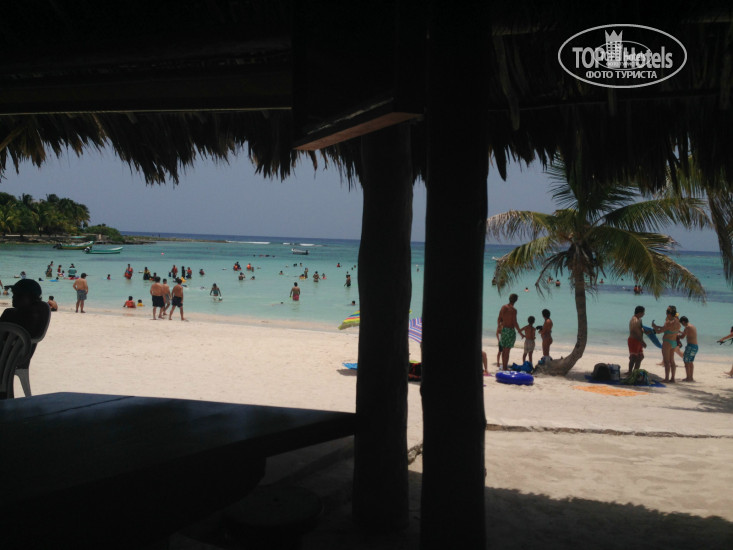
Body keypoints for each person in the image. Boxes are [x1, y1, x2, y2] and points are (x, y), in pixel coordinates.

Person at [0, 279, 51, 373]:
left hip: (6, 356)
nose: (13, 297)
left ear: (31, 297)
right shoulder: (38, 315)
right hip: (20, 357)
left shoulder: (10, 313)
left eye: (18, 295)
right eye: (14, 294)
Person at [652, 305, 681, 383]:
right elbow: (665, 328)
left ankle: (666, 378)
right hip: (674, 342)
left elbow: (659, 331)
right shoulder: (677, 322)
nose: (666, 313)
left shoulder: (668, 322)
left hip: (667, 342)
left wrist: (654, 327)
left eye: (667, 312)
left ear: (669, 313)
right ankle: (672, 378)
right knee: (672, 361)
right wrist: (657, 326)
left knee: (666, 361)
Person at [497, 293, 524, 370]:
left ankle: (504, 367)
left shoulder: (503, 307)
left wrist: (499, 327)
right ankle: (505, 368)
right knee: (507, 350)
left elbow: (499, 319)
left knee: (504, 350)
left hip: (504, 330)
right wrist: (520, 332)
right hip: (510, 331)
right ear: (516, 300)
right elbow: (514, 322)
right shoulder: (513, 310)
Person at [627, 306, 647, 375]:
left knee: (640, 357)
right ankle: (630, 372)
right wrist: (642, 342)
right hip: (633, 340)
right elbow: (634, 332)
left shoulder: (639, 320)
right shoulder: (634, 320)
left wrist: (646, 332)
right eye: (643, 312)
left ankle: (635, 372)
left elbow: (640, 329)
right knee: (633, 357)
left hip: (638, 340)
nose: (644, 314)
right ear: (640, 313)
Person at [678, 316, 698, 382]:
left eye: (681, 323)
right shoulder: (692, 326)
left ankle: (688, 378)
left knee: (686, 361)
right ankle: (691, 377)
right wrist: (681, 332)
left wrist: (676, 335)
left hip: (690, 346)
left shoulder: (687, 327)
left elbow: (682, 337)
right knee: (690, 362)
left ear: (683, 322)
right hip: (695, 346)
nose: (682, 325)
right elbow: (687, 334)